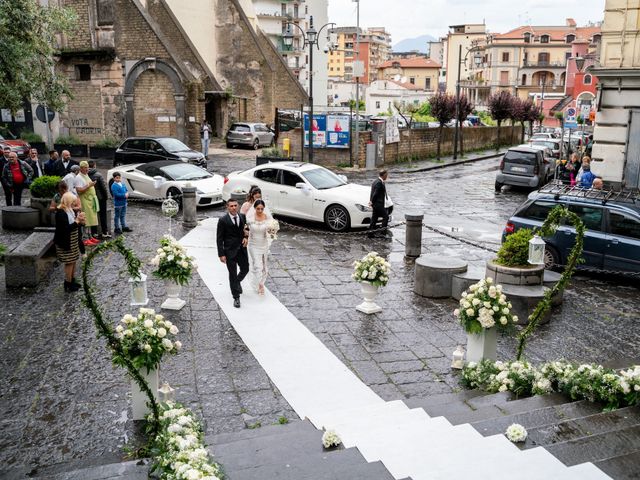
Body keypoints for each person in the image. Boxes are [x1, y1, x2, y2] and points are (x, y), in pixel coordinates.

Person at [216, 198, 249, 308]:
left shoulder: (242, 216)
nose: (234, 208)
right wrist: (221, 254)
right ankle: (236, 297)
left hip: (242, 249)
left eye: (235, 205)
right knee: (232, 274)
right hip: (229, 251)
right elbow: (219, 239)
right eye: (231, 206)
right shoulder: (223, 220)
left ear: (238, 206)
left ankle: (237, 282)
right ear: (227, 207)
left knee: (245, 269)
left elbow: (246, 229)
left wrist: (246, 237)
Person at [54, 192, 85, 292]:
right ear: (68, 201)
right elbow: (66, 229)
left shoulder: (69, 209)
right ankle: (67, 283)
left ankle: (72, 280)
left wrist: (79, 220)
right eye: (73, 202)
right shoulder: (61, 213)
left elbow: (74, 223)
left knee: (74, 259)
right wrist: (77, 222)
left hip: (73, 239)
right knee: (69, 262)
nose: (74, 204)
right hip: (66, 241)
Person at [246, 199, 273, 296]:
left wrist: (272, 231)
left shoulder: (267, 218)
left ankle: (261, 282)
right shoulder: (250, 219)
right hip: (253, 245)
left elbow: (271, 233)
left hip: (263, 244)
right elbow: (245, 230)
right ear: (254, 208)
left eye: (262, 209)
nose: (260, 210)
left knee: (264, 266)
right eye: (258, 209)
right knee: (257, 265)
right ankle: (259, 285)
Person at [75, 161, 100, 245]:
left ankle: (90, 236)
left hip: (90, 201)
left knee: (90, 219)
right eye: (85, 167)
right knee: (85, 220)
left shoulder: (86, 175)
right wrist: (89, 185)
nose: (87, 169)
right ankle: (85, 239)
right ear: (81, 168)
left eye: (88, 167)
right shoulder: (78, 177)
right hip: (84, 201)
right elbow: (79, 190)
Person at [88, 160, 111, 238]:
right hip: (100, 198)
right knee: (102, 215)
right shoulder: (98, 174)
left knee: (93, 214)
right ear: (94, 165)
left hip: (90, 198)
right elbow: (103, 188)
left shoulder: (85, 175)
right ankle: (104, 231)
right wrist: (106, 197)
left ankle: (94, 233)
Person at [368, 169, 390, 238]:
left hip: (376, 204)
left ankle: (370, 233)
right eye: (386, 175)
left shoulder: (376, 181)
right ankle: (383, 233)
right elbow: (375, 194)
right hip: (378, 204)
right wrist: (371, 201)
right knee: (386, 217)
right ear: (383, 175)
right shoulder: (379, 183)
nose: (387, 176)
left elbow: (372, 193)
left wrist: (371, 202)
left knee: (374, 218)